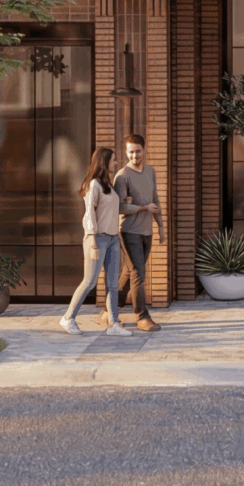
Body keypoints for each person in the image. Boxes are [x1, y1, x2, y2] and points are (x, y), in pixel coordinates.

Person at [60, 147, 133, 336]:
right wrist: (92, 242)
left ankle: (113, 324)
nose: (116, 163)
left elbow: (109, 210)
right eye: (113, 160)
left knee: (113, 284)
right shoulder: (94, 185)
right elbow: (89, 215)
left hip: (112, 239)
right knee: (89, 281)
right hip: (97, 238)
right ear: (104, 162)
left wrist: (124, 200)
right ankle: (68, 318)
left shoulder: (107, 185)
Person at [100, 132, 165, 332]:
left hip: (147, 231)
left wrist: (160, 226)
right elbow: (120, 208)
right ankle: (142, 317)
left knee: (130, 273)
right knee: (138, 273)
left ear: (144, 151)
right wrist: (144, 208)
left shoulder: (150, 172)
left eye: (137, 152)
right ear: (126, 152)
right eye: (130, 152)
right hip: (129, 232)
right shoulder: (123, 176)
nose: (134, 156)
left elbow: (156, 200)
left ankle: (108, 310)